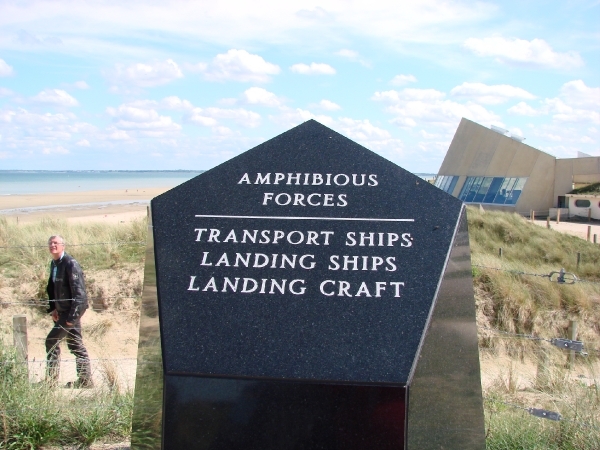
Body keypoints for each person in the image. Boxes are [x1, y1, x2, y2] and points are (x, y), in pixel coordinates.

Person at [45, 235, 93, 388]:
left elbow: (80, 295)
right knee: (75, 344)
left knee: (51, 341)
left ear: (63, 246)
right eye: (50, 243)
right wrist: (53, 308)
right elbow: (52, 288)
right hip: (63, 311)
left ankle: (51, 381)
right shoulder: (54, 264)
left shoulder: (70, 264)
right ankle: (85, 381)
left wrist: (71, 318)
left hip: (70, 312)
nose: (53, 245)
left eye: (56, 243)